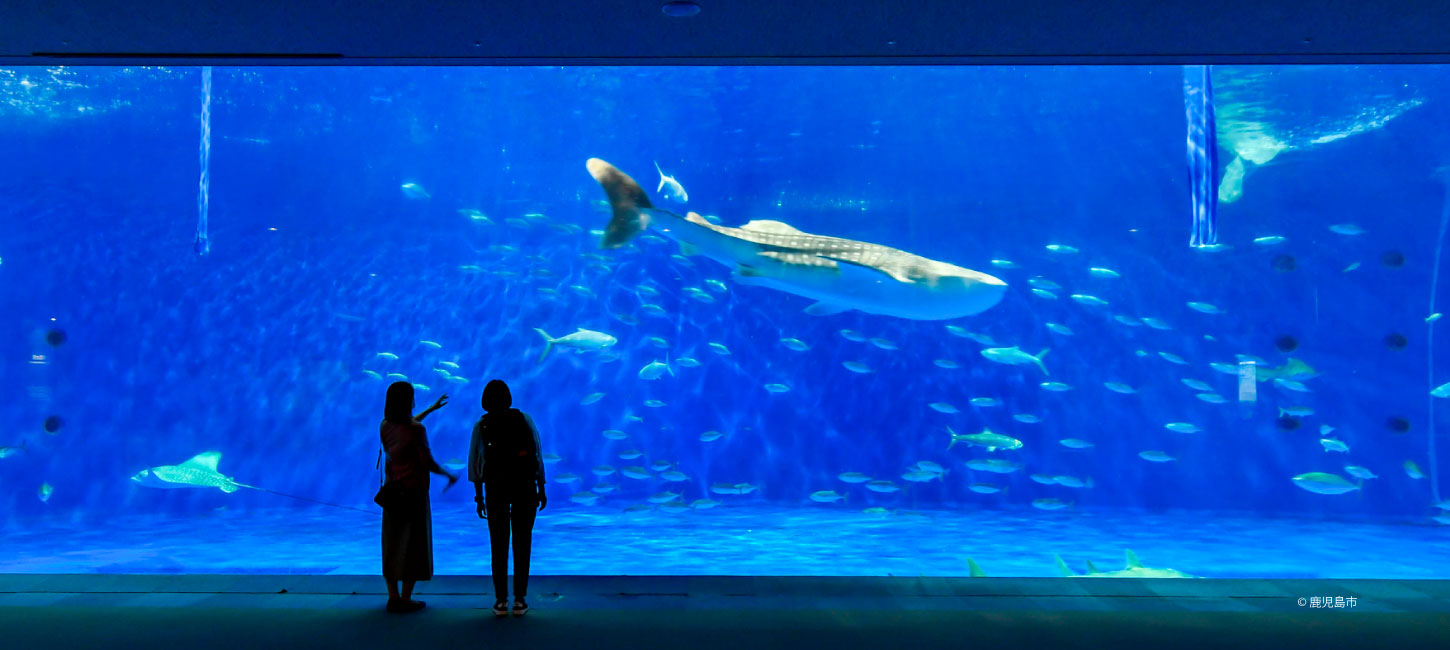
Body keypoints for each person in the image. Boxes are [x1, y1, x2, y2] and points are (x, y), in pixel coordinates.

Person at [467, 379, 547, 617]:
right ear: (508, 398)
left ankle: (501, 601)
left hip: (495, 488)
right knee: (523, 543)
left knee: (498, 545)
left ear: (485, 400)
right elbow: (537, 453)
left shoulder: (481, 424)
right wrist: (541, 487)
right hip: (525, 486)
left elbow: (475, 463)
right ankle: (520, 600)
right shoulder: (525, 419)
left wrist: (478, 497)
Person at [379, 381, 458, 613]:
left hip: (392, 493)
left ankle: (393, 597)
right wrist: (448, 475)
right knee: (412, 544)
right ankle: (406, 598)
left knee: (392, 543)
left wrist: (431, 410)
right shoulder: (416, 430)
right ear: (408, 401)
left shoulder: (385, 425)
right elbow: (427, 461)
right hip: (413, 493)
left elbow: (406, 428)